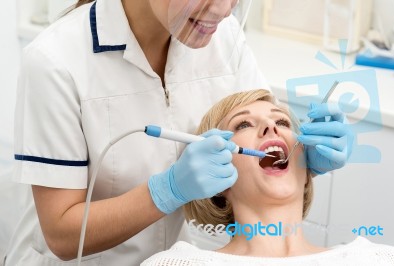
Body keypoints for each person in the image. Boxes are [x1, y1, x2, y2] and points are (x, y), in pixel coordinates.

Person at [5, 0, 354, 265]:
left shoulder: (224, 34)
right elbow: (64, 235)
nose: (222, 9)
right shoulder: (56, 61)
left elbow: (264, 128)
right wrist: (168, 190)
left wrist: (301, 156)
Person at [141, 89, 394, 266]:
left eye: (283, 123)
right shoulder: (174, 264)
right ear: (214, 176)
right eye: (243, 125)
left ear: (309, 171)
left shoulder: (378, 259)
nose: (271, 127)